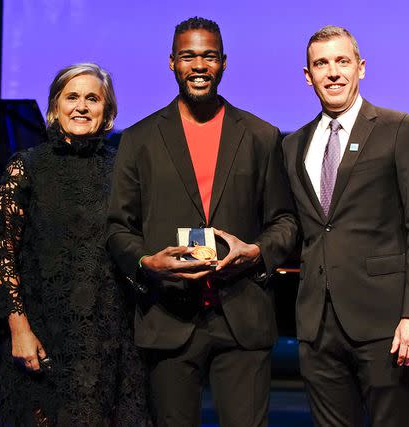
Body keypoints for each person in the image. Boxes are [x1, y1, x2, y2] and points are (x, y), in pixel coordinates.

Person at [106, 17, 297, 427]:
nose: (198, 65)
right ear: (172, 62)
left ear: (224, 63)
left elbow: (285, 222)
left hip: (242, 315)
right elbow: (118, 228)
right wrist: (146, 263)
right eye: (189, 56)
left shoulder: (261, 136)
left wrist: (257, 251)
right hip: (169, 316)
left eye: (208, 56)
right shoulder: (138, 139)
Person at [281, 26, 409, 426]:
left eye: (342, 61)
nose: (333, 72)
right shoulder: (292, 144)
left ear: (361, 68)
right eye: (322, 64)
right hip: (318, 327)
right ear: (308, 75)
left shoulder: (398, 128)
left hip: (385, 323)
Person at [0, 63, 148, 426]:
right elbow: (3, 256)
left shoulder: (124, 169)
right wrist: (20, 330)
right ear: (54, 107)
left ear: (107, 112)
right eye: (71, 97)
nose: (81, 106)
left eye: (92, 98)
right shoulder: (24, 168)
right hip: (45, 337)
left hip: (112, 342)